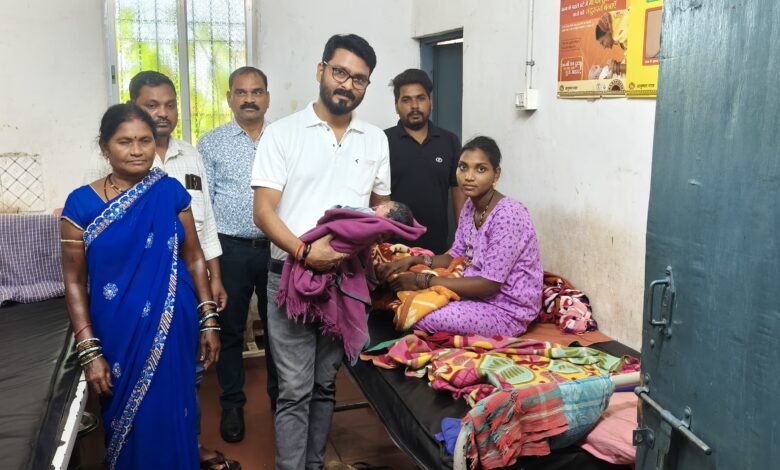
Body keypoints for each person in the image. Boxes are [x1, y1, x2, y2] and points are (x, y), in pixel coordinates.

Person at [252, 33, 390, 470]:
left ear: (367, 86)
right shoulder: (283, 134)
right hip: (291, 276)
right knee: (295, 390)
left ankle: (313, 464)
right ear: (321, 70)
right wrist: (304, 252)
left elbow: (379, 206)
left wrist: (382, 223)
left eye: (359, 79)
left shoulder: (374, 139)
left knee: (325, 385)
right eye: (340, 72)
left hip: (344, 281)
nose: (347, 84)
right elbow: (263, 211)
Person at [60, 103, 220, 469]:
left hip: (173, 324)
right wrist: (89, 351)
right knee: (126, 423)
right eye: (125, 142)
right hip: (116, 332)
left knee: (176, 410)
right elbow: (73, 282)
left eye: (145, 141)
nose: (137, 150)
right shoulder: (80, 204)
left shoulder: (170, 192)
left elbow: (194, 257)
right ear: (104, 148)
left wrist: (209, 319)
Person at [128, 71, 236, 469]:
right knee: (141, 370)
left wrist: (215, 277)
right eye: (151, 105)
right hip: (137, 288)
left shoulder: (190, 156)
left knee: (190, 370)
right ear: (134, 107)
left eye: (170, 105)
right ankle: (144, 452)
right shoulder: (118, 156)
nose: (163, 113)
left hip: (189, 284)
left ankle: (189, 445)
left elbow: (204, 223)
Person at [378, 136, 543, 338]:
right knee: (400, 277)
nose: (469, 176)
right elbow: (456, 256)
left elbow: (489, 284)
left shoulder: (509, 214)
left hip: (506, 309)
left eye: (480, 169)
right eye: (463, 167)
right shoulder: (470, 207)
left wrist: (424, 281)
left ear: (496, 174)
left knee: (420, 315)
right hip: (474, 294)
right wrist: (414, 260)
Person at [198, 66, 277, 442]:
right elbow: (205, 205)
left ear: (267, 98)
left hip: (277, 248)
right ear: (229, 98)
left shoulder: (283, 139)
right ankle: (232, 403)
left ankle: (282, 402)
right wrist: (210, 262)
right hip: (229, 249)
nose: (249, 99)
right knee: (229, 329)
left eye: (256, 92)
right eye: (241, 92)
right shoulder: (211, 143)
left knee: (280, 329)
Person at [384, 68, 465, 254]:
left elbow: (459, 190)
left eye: (420, 98)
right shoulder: (382, 141)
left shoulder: (449, 141)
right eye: (406, 100)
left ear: (430, 102)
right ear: (396, 106)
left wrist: (462, 238)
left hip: (437, 249)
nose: (414, 106)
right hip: (393, 248)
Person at [593, 10, 629, 77]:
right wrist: (616, 65)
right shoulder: (623, 40)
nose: (604, 46)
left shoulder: (628, 34)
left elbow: (637, 66)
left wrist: (616, 67)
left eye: (602, 42)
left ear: (608, 32)